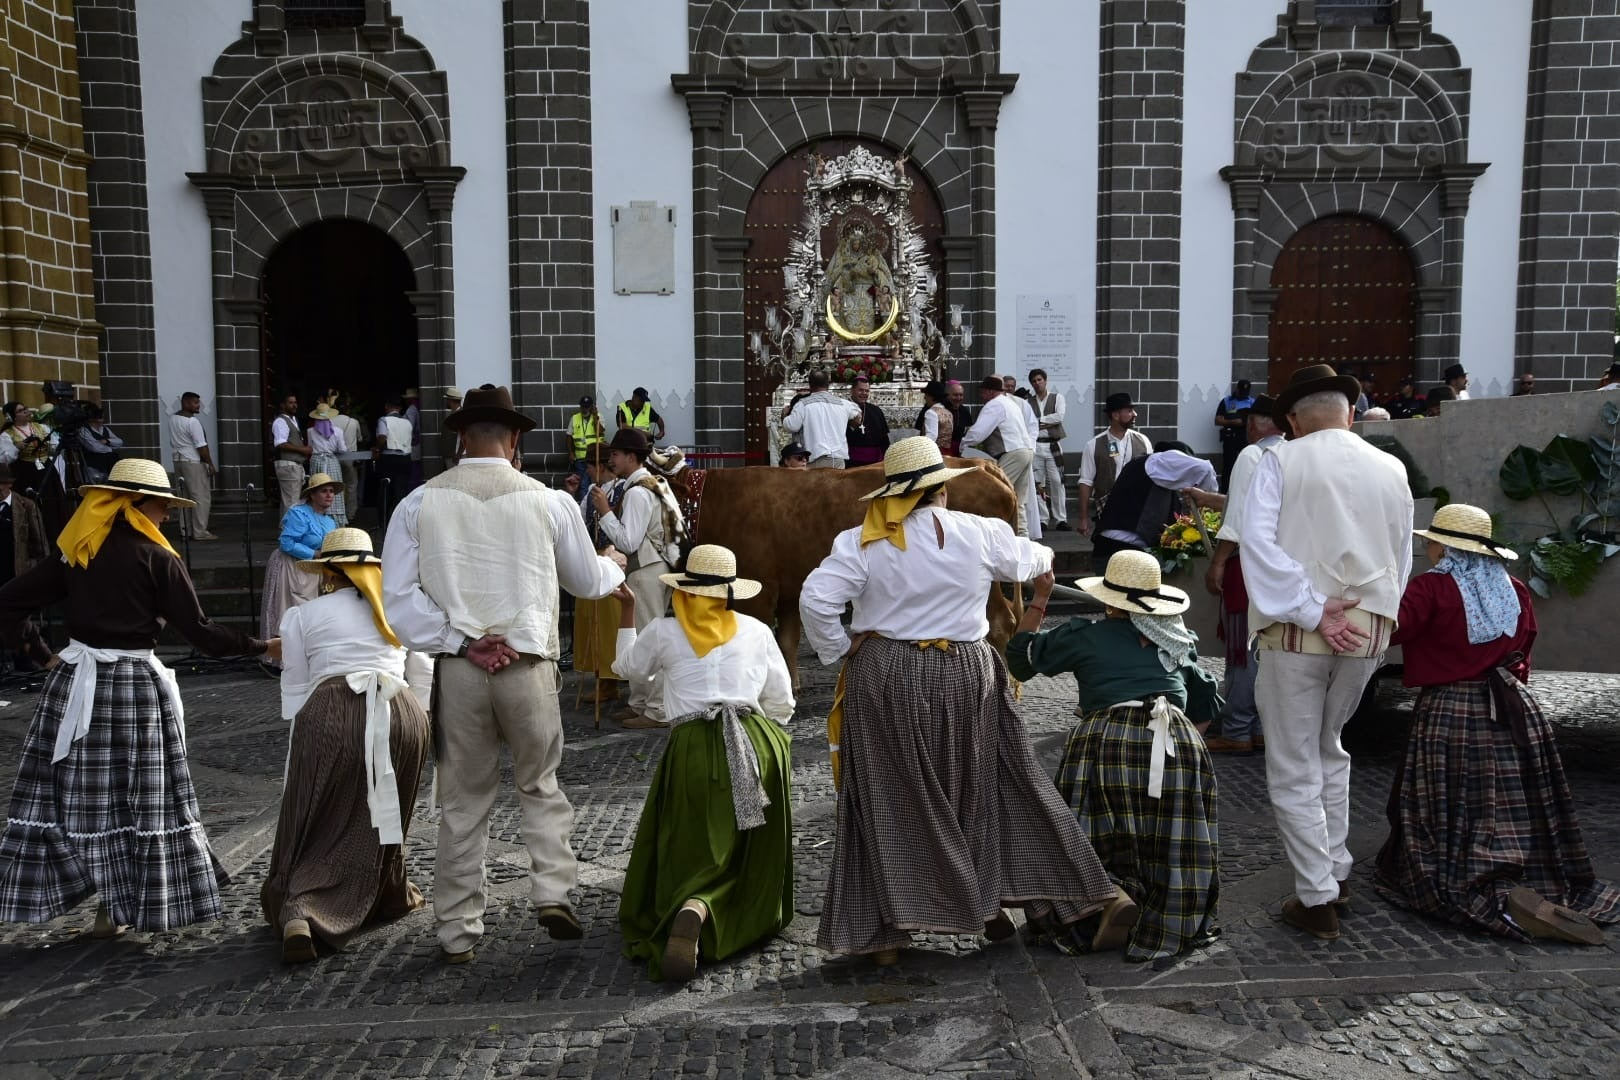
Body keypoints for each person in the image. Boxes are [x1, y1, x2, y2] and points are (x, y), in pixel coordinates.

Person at [799, 437, 1135, 964]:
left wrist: (840, 647)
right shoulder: (981, 532)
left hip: (890, 669)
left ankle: (886, 931)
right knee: (1001, 781)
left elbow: (816, 599)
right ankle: (1090, 893)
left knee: (891, 793)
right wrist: (1040, 565)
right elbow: (1033, 558)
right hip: (970, 669)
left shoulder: (860, 542)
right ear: (942, 491)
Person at [382, 384, 624, 964]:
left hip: (461, 670)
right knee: (539, 783)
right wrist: (613, 568)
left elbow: (397, 602)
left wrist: (463, 640)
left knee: (463, 800)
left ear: (461, 436)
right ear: (514, 439)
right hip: (528, 665)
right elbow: (585, 583)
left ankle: (458, 930)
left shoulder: (418, 503)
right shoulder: (548, 503)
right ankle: (553, 890)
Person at [0, 459, 277, 935]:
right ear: (134, 505)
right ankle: (118, 906)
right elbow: (202, 634)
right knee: (140, 796)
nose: (167, 515)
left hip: (75, 684)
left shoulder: (77, 550)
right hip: (131, 687)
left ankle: (106, 902)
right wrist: (260, 646)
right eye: (161, 505)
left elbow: (8, 599)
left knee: (76, 794)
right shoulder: (157, 558)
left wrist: (39, 652)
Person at [1374, 503, 1620, 945]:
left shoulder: (1431, 588)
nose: (1429, 548)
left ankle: (1466, 874)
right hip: (1511, 703)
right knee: (1511, 797)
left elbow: (1392, 631)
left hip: (1449, 707)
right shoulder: (1515, 588)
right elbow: (1525, 645)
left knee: (1448, 794)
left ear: (1443, 546)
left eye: (1431, 542)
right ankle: (1521, 872)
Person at [1240, 363, 1412, 941]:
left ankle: (1316, 896)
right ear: (1351, 412)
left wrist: (1314, 609)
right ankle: (1334, 870)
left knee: (1293, 762)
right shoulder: (1390, 467)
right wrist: (1370, 616)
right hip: (1367, 630)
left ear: (1292, 419)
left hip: (1298, 629)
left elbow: (1258, 545)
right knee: (1329, 749)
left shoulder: (1278, 460)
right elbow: (1401, 555)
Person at [1008, 550, 1224, 962]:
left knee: (1081, 828)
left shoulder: (1085, 635)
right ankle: (1164, 916)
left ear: (1108, 601)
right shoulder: (1177, 642)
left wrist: (1040, 599)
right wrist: (1185, 748)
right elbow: (1207, 705)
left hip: (1106, 735)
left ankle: (1101, 901)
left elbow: (1020, 659)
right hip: (1175, 737)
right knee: (1170, 833)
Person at [612, 545, 795, 981]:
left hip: (693, 744)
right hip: (756, 741)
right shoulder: (756, 630)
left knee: (693, 841)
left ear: (686, 590)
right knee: (745, 845)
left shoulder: (661, 631)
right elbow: (782, 702)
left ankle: (694, 903)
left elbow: (625, 670)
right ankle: (720, 910)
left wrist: (627, 613)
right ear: (728, 593)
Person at [262, 528, 431, 963]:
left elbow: (296, 688)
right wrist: (419, 718)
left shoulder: (302, 616)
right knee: (383, 810)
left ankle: (302, 907)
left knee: (316, 813)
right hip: (402, 711)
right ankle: (387, 892)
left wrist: (308, 741)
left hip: (333, 708)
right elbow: (423, 672)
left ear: (329, 574)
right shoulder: (395, 609)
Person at [1195, 396, 1283, 754]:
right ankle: (1261, 727)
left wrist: (1218, 561)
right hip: (1280, 566)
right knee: (1268, 647)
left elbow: (1239, 518)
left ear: (1255, 425)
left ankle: (1237, 729)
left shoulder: (1252, 455)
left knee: (1242, 648)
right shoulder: (1292, 453)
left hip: (1249, 564)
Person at [592, 428, 676, 728]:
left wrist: (604, 512)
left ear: (631, 456)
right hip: (653, 568)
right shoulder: (653, 484)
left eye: (615, 454)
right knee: (641, 639)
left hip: (647, 570)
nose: (611, 459)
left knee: (649, 639)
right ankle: (641, 703)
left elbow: (628, 541)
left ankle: (657, 710)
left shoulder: (639, 491)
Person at [1091, 442, 1217, 564]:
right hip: (1123, 549)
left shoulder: (1147, 471)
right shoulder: (1158, 462)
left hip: (1113, 548)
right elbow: (1205, 469)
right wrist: (1209, 501)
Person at [260, 473, 343, 649]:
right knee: (290, 610)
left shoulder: (330, 521)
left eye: (331, 491)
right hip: (291, 566)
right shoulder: (299, 513)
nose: (329, 495)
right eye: (324, 491)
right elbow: (286, 542)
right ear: (312, 495)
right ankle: (282, 657)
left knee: (312, 611)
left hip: (314, 570)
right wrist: (314, 553)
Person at [574, 443, 628, 706]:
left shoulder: (621, 490)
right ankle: (601, 677)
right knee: (591, 621)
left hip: (611, 562)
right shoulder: (592, 492)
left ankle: (611, 679)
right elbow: (581, 523)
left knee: (608, 624)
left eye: (589, 466)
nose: (587, 471)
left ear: (600, 466)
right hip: (592, 560)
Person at [960, 375, 1039, 537]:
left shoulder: (994, 405)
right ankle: (1022, 538)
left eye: (983, 392)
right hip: (1025, 451)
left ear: (989, 391)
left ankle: (997, 537)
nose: (982, 396)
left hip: (1013, 453)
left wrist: (963, 444)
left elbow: (978, 432)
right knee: (1018, 499)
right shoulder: (1010, 403)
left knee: (997, 493)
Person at [1077, 393, 1153, 536]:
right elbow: (1086, 482)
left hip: (1137, 511)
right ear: (1116, 415)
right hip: (1107, 511)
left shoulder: (1143, 441)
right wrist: (1083, 518)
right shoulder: (1093, 445)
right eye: (1129, 411)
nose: (1135, 414)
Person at [780, 370, 860, 469]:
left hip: (815, 459)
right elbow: (857, 414)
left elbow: (791, 426)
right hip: (838, 460)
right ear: (828, 384)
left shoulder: (803, 404)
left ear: (810, 384)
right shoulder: (842, 403)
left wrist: (784, 415)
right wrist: (851, 424)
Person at [169, 392, 218, 540]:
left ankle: (186, 530)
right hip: (193, 462)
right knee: (201, 497)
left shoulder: (173, 418)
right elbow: (201, 446)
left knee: (183, 497)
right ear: (186, 403)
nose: (199, 406)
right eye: (195, 403)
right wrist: (210, 463)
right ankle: (200, 531)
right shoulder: (192, 422)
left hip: (178, 461)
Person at [1028, 369, 1069, 530]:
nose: (1037, 383)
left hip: (1053, 444)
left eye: (1039, 380)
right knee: (1039, 483)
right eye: (1034, 381)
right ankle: (1043, 519)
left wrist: (1039, 421)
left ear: (1045, 380)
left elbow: (1059, 417)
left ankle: (1061, 519)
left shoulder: (1057, 397)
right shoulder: (1028, 401)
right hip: (1036, 444)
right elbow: (1027, 422)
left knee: (1058, 482)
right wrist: (1046, 422)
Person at [306, 404, 350, 527]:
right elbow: (342, 449)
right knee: (332, 489)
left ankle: (317, 518)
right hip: (331, 461)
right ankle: (336, 520)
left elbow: (310, 447)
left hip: (316, 462)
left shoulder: (310, 431)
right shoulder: (338, 431)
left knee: (318, 488)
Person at [372, 398, 413, 524]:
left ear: (387, 406)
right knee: (401, 490)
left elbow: (382, 437)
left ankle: (384, 521)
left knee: (386, 490)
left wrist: (377, 449)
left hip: (389, 458)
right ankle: (401, 520)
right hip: (405, 458)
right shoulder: (407, 422)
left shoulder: (384, 420)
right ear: (400, 408)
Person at [2, 401, 56, 494]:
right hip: (25, 471)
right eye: (20, 410)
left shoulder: (42, 427)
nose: (26, 411)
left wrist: (50, 445)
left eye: (25, 408)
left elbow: (54, 448)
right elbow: (4, 459)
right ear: (12, 417)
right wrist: (17, 448)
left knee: (50, 496)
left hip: (46, 467)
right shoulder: (6, 435)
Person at [269, 394, 311, 514]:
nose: (294, 405)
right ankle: (291, 531)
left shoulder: (292, 420)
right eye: (290, 403)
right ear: (283, 405)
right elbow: (280, 443)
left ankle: (285, 528)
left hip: (293, 464)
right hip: (288, 465)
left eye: (295, 402)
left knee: (288, 501)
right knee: (292, 502)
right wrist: (302, 450)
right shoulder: (281, 421)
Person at [1214, 379, 1255, 490]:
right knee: (1229, 465)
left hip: (1246, 437)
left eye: (1245, 392)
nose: (1243, 394)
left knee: (1247, 463)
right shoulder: (1227, 401)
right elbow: (1217, 420)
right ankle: (1225, 490)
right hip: (1230, 436)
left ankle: (1245, 488)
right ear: (1237, 389)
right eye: (1241, 391)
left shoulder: (1252, 402)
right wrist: (1233, 422)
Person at [845, 375, 890, 468]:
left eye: (867, 391)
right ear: (852, 390)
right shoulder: (843, 409)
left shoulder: (876, 410)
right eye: (860, 390)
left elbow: (884, 438)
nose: (864, 393)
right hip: (851, 462)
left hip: (875, 463)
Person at [567, 395, 606, 497]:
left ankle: (592, 506)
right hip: (580, 458)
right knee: (583, 483)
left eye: (587, 407)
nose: (585, 409)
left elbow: (600, 432)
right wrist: (571, 453)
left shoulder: (598, 417)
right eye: (583, 407)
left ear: (592, 407)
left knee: (594, 482)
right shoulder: (575, 418)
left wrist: (595, 417)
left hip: (594, 457)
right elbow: (569, 436)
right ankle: (584, 505)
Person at [76, 404, 123, 485]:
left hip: (109, 463)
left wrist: (107, 441)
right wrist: (109, 448)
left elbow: (119, 442)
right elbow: (94, 447)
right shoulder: (83, 430)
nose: (101, 420)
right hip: (94, 464)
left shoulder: (105, 429)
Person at [914, 380, 954, 455]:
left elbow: (931, 436)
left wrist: (918, 449)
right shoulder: (948, 413)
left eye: (926, 395)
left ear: (931, 396)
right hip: (947, 452)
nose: (925, 398)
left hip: (934, 455)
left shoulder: (931, 413)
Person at [946, 380, 972, 456]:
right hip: (944, 449)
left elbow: (969, 429)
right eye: (955, 395)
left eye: (961, 395)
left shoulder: (965, 411)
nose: (958, 398)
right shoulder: (942, 409)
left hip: (960, 448)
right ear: (948, 395)